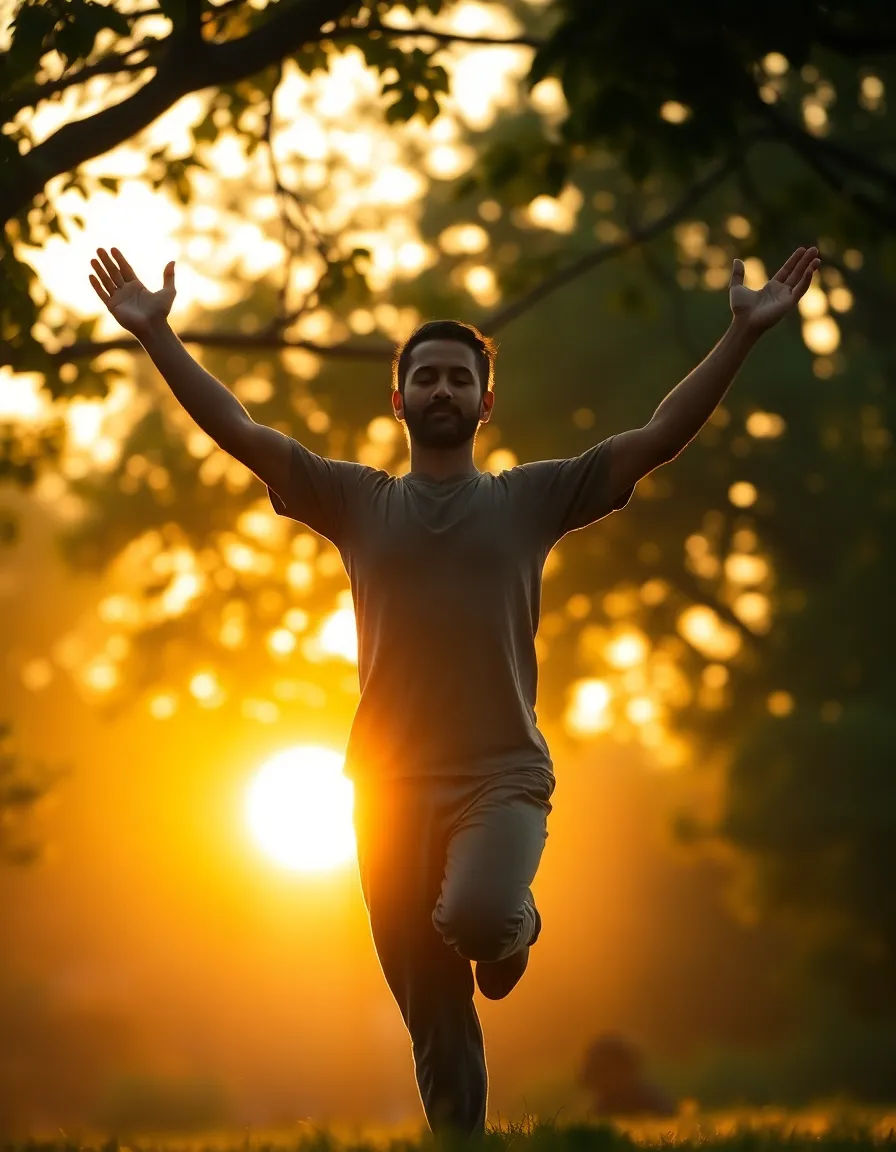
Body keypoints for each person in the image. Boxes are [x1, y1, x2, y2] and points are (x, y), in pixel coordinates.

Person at [88, 242, 820, 1139]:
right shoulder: (353, 501)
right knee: (431, 1011)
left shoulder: (533, 498)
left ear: (484, 401)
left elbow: (657, 436)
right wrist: (158, 338)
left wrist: (742, 336)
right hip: (383, 790)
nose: (441, 391)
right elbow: (242, 432)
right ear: (397, 400)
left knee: (473, 916)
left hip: (500, 775)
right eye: (425, 378)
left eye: (458, 379)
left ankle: (511, 927)